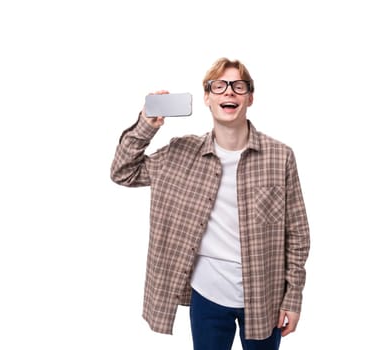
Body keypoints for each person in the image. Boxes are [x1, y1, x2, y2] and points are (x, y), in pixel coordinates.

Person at [110, 57, 310, 350]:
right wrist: (146, 125)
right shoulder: (180, 153)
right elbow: (123, 172)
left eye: (238, 86)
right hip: (207, 296)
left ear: (250, 97)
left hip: (264, 296)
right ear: (207, 97)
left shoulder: (279, 157)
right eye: (219, 86)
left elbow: (298, 235)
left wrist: (293, 298)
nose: (229, 92)